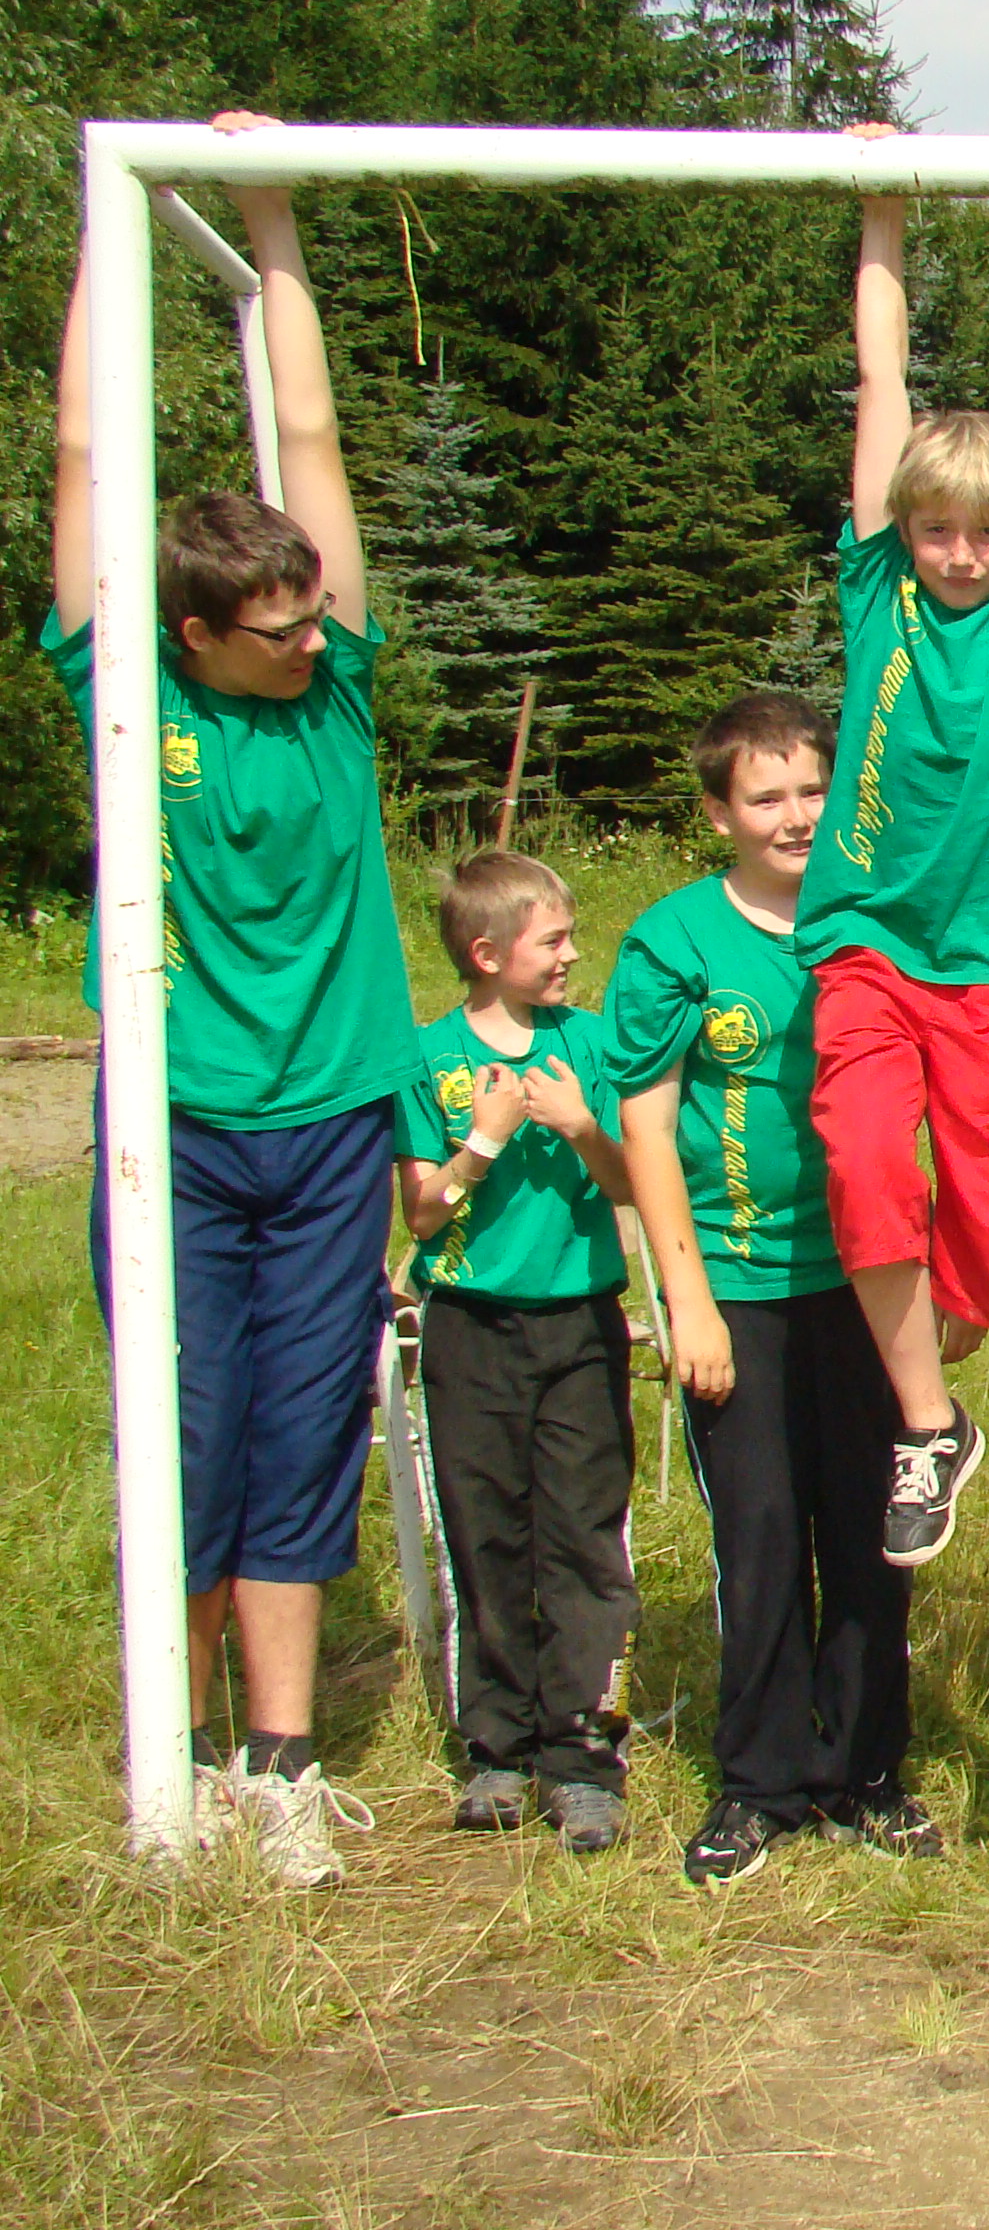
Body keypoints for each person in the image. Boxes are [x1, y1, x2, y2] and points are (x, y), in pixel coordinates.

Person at [47, 117, 413, 1889]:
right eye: (277, 626)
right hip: (176, 1121)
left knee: (302, 1431)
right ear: (191, 635)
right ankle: (174, 1756)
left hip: (332, 1116)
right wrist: (106, 208)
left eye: (313, 613)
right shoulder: (140, 690)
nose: (312, 636)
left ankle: (278, 1763)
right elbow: (81, 456)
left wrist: (269, 212)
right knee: (186, 1436)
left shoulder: (335, 695)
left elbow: (314, 442)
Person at [801, 180, 989, 1624]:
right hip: (870, 936)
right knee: (864, 1163)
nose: (962, 553)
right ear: (906, 529)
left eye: (987, 532)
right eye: (937, 531)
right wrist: (881, 217)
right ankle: (930, 1425)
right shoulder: (883, 595)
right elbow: (883, 386)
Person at [613, 692, 933, 1888]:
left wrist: (947, 1283)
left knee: (872, 1528)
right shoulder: (674, 942)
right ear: (719, 813)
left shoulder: (884, 922)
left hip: (871, 1286)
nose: (795, 816)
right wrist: (686, 1301)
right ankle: (759, 1783)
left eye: (813, 790)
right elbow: (646, 1130)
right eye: (765, 797)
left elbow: (951, 1104)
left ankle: (867, 1773)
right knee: (757, 1536)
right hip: (737, 1288)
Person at [395, 851, 642, 1851]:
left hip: (581, 1323)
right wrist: (485, 1139)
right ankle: (497, 1748)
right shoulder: (427, 1056)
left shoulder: (591, 1043)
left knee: (582, 1535)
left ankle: (581, 1753)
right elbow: (422, 1212)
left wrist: (581, 1127)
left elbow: (628, 1183)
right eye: (554, 940)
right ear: (487, 953)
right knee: (486, 1531)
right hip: (469, 1328)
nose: (573, 954)